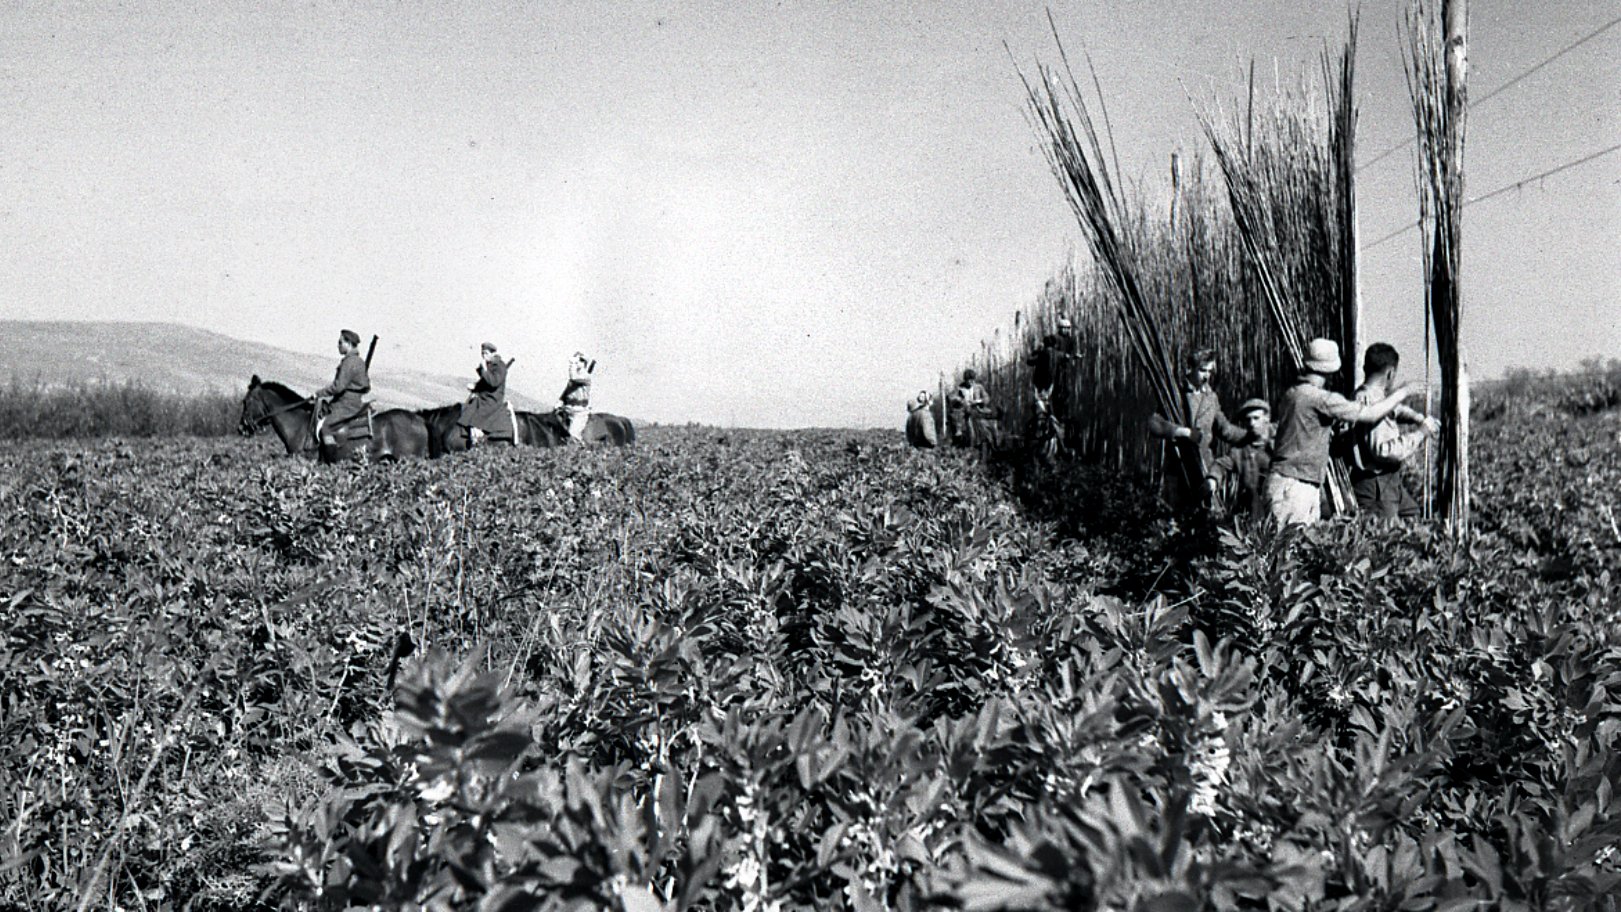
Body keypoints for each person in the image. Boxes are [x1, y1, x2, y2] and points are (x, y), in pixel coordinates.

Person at [1267, 338, 1415, 527]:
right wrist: (1403, 393)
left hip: (1283, 480)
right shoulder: (1321, 399)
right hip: (1296, 486)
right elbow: (1370, 414)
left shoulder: (1293, 394)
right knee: (1290, 541)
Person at [1147, 348, 1249, 511]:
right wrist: (1184, 432)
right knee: (1177, 516)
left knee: (1205, 516)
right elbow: (1154, 424)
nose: (1207, 376)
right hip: (1179, 467)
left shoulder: (1211, 397)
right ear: (1191, 368)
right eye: (1202, 370)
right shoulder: (1175, 394)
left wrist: (1252, 435)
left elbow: (1225, 429)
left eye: (1210, 371)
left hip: (1204, 469)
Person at [1350, 343, 1440, 519]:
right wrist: (1421, 433)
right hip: (1376, 484)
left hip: (1386, 481)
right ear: (1390, 373)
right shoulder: (1369, 399)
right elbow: (1383, 451)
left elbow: (1393, 409)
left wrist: (1417, 418)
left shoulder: (1367, 395)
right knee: (1386, 531)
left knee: (1411, 513)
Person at [1209, 398, 1274, 521]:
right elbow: (1221, 464)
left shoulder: (1282, 440)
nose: (1252, 423)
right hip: (1255, 509)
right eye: (1248, 419)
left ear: (1267, 418)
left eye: (1256, 418)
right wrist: (1212, 479)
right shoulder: (1240, 451)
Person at [314, 329, 371, 446]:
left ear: (348, 343)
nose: (338, 345)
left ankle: (330, 455)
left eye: (340, 342)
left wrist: (318, 394)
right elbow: (367, 386)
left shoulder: (349, 362)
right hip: (352, 402)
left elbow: (338, 387)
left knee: (326, 427)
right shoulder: (359, 361)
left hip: (346, 405)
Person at [458, 342, 512, 446]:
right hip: (484, 397)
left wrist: (485, 370)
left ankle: (477, 442)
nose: (484, 356)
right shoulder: (489, 365)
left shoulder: (500, 366)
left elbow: (494, 382)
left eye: (486, 353)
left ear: (493, 353)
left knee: (475, 419)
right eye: (482, 353)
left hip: (492, 399)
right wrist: (476, 386)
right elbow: (484, 383)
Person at [946, 369, 991, 448]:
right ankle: (958, 431)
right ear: (965, 380)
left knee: (989, 417)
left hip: (976, 408)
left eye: (973, 380)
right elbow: (950, 397)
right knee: (956, 414)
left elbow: (987, 398)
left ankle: (989, 438)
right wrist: (958, 399)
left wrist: (979, 401)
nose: (971, 382)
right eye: (969, 380)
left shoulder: (979, 387)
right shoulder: (959, 388)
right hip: (964, 409)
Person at [559, 352, 594, 444]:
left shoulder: (585, 376)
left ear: (583, 363)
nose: (577, 362)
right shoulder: (575, 376)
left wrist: (572, 364)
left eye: (578, 361)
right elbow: (567, 390)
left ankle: (580, 449)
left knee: (573, 435)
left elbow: (573, 378)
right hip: (567, 408)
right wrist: (560, 400)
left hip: (579, 411)